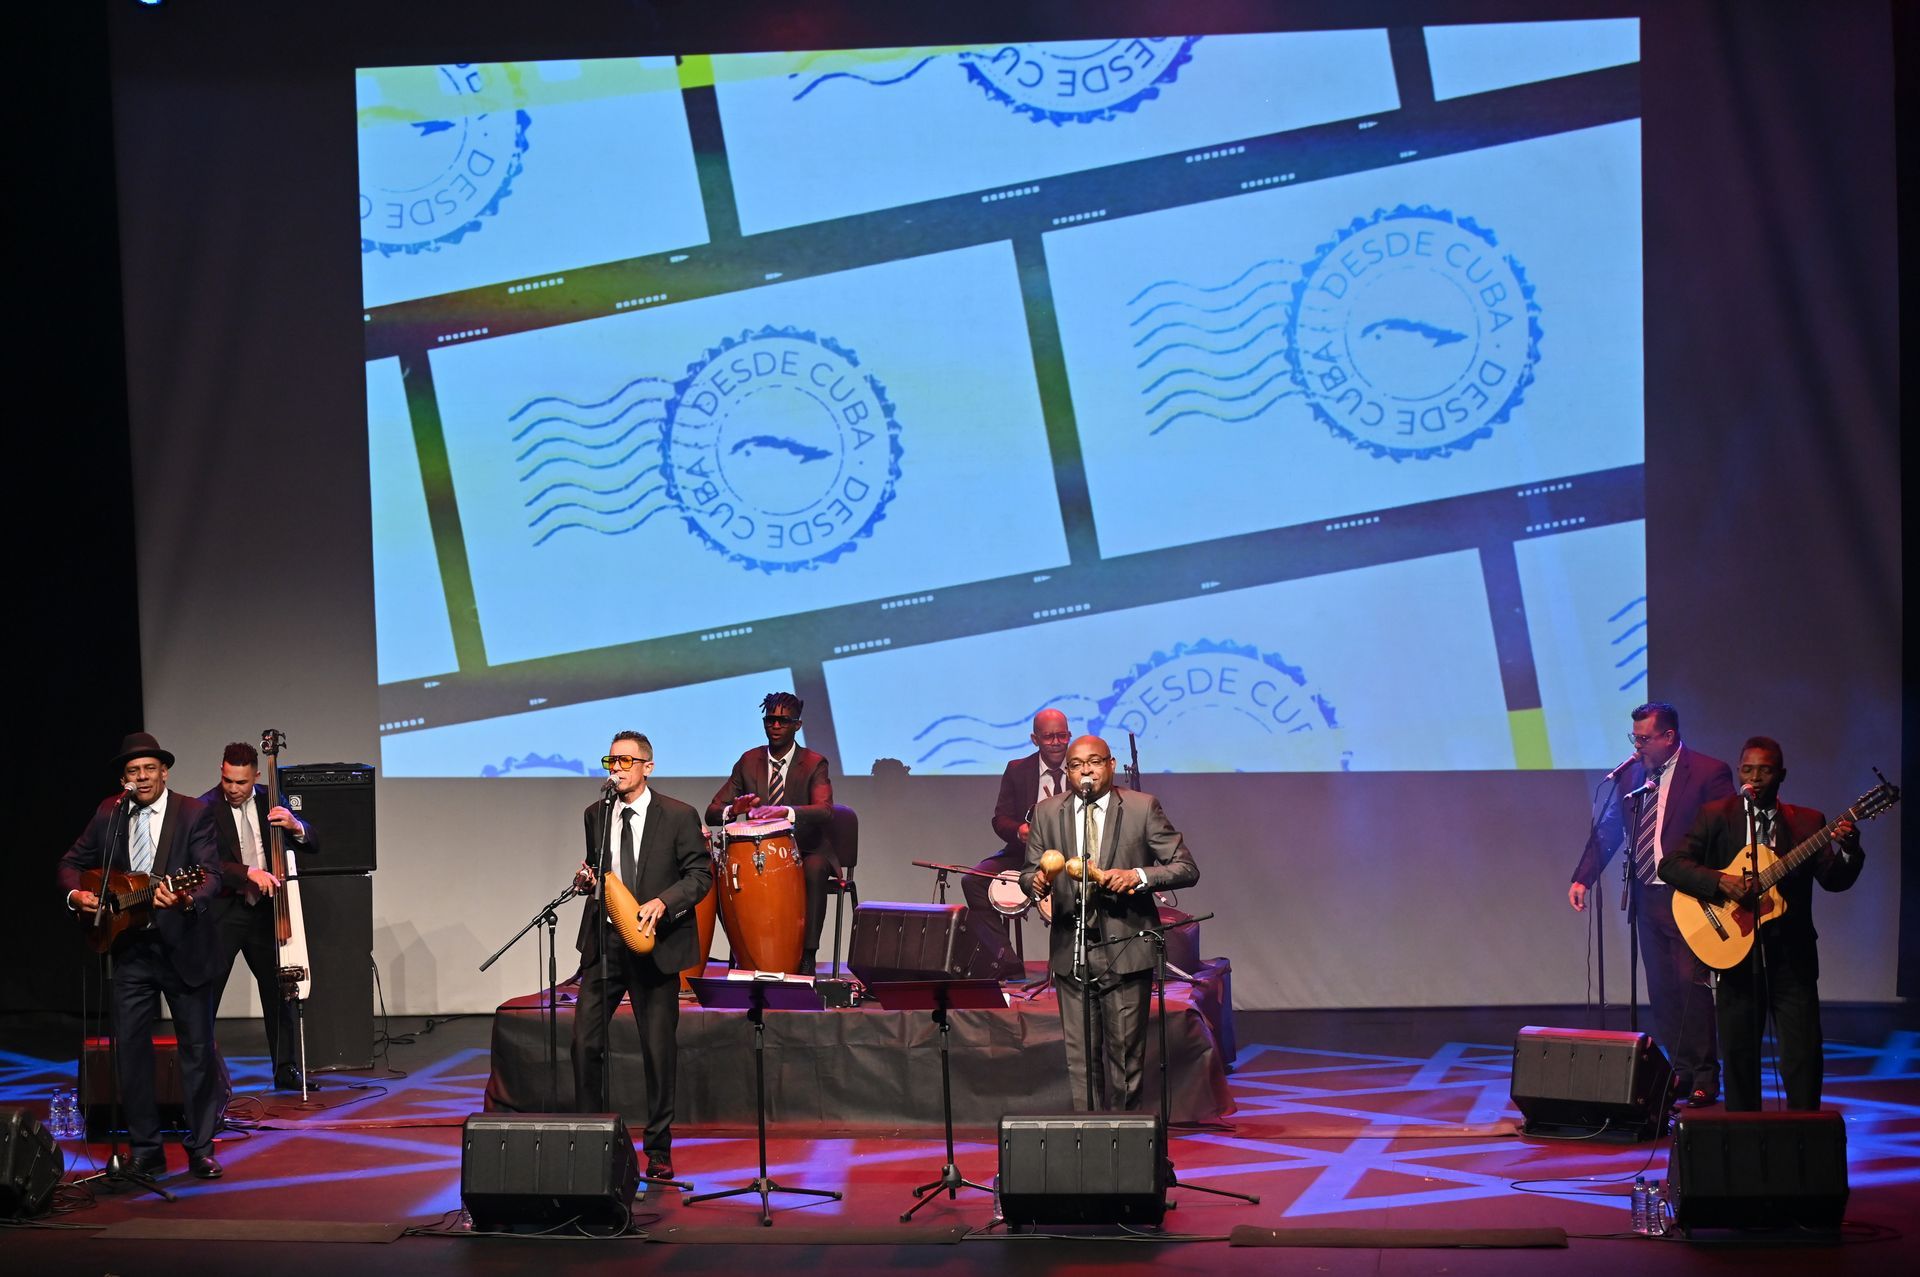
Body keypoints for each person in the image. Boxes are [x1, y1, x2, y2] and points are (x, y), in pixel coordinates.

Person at [1660, 736, 1863, 1111]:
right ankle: (1743, 1137)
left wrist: (1850, 849)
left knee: (1803, 1055)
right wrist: (1722, 882)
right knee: (1739, 1057)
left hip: (1792, 957)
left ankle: (1804, 1134)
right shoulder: (1716, 815)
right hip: (1736, 957)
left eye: (1765, 770)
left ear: (1781, 775)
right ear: (1739, 772)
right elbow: (1671, 865)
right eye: (1748, 769)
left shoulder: (1808, 822)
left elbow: (1834, 880)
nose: (1755, 778)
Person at [57, 732, 226, 1180]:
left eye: (150, 768)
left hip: (184, 948)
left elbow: (210, 875)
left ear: (164, 772)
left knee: (196, 1051)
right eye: (134, 771)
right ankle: (146, 1149)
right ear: (124, 779)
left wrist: (185, 899)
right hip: (130, 950)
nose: (143, 776)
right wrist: (78, 896)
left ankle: (200, 1148)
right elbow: (70, 863)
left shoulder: (193, 812)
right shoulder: (109, 813)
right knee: (129, 1052)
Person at [1567, 701, 1733, 1107]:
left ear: (1669, 737)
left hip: (1689, 897)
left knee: (1691, 985)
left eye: (1644, 738)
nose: (1637, 746)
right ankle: (1680, 1070)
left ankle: (1705, 1075)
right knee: (1662, 988)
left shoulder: (1708, 772)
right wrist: (1584, 876)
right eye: (1634, 737)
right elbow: (1610, 829)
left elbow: (1728, 833)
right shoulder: (1632, 776)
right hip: (1647, 895)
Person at [1020, 735, 1198, 1110]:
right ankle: (1088, 1135)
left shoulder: (1141, 807)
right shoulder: (1047, 812)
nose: (1085, 771)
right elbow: (1028, 872)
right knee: (1080, 1060)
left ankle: (1124, 1135)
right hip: (1072, 949)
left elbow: (1185, 868)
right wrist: (1035, 883)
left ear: (1111, 764)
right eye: (1075, 765)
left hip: (1125, 948)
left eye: (1094, 762)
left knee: (1125, 1059)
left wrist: (1138, 875)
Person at [572, 731, 711, 1181]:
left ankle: (658, 1148)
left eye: (626, 761)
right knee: (584, 1042)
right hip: (607, 943)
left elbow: (699, 875)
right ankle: (590, 1138)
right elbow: (600, 872)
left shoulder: (678, 815)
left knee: (657, 1049)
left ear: (647, 767)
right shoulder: (596, 813)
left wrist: (664, 902)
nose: (617, 768)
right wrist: (586, 880)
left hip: (656, 943)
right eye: (611, 761)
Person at [199, 741, 316, 1092]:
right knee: (207, 992)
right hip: (226, 911)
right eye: (228, 781)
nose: (233, 789)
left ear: (255, 777)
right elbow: (205, 864)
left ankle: (286, 1069)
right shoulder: (204, 807)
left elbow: (314, 840)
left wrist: (295, 825)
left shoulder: (272, 798)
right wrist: (247, 872)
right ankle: (200, 1073)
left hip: (267, 911)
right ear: (221, 772)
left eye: (242, 782)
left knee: (279, 991)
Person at [704, 692, 835, 973]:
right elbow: (712, 811)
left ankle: (807, 955)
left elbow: (824, 810)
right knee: (716, 871)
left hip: (804, 849)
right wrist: (733, 809)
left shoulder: (814, 762)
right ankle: (745, 952)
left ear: (797, 725)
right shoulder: (749, 760)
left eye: (783, 721)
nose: (775, 726)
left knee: (814, 869)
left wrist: (784, 812)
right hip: (757, 852)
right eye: (770, 720)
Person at [962, 709, 1073, 980]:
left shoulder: (1081, 767)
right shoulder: (1017, 769)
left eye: (1062, 736)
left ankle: (1070, 966)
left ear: (1069, 735)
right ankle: (1007, 961)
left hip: (1072, 859)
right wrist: (1018, 831)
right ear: (1035, 739)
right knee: (973, 881)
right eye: (1048, 737)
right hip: (1025, 856)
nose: (1056, 743)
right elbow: (1000, 819)